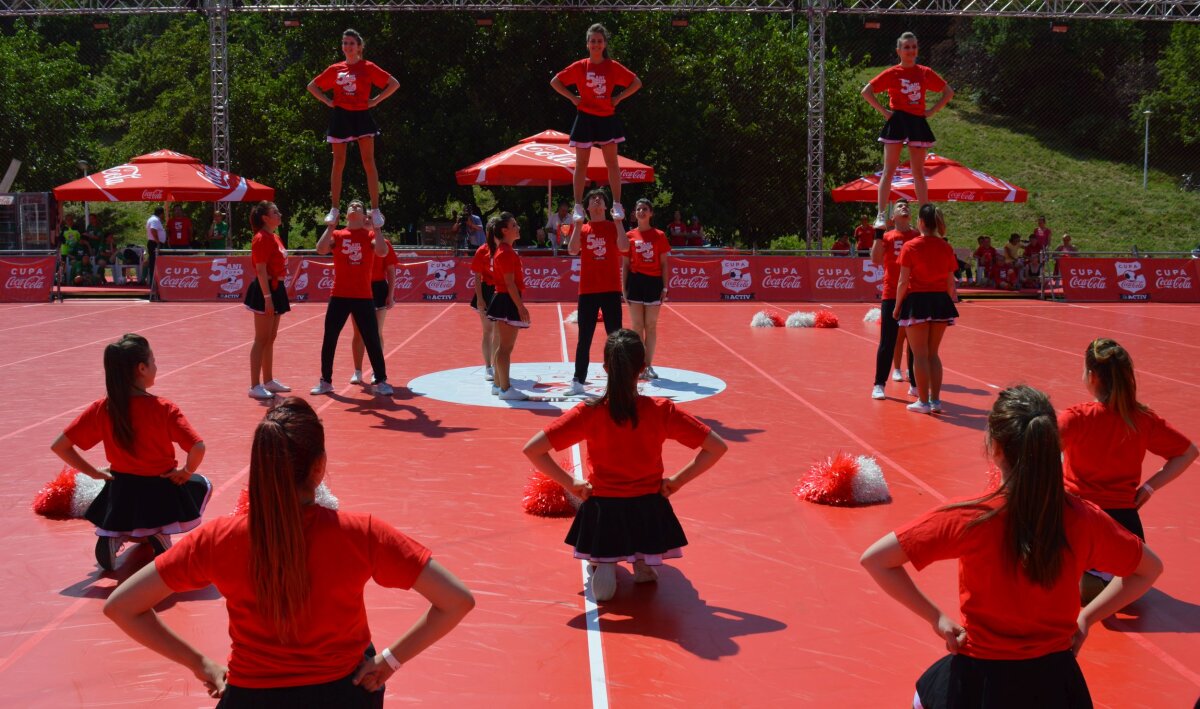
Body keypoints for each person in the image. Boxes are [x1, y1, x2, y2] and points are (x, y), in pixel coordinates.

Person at [103, 397, 474, 706]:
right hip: (344, 695)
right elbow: (456, 600)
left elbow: (121, 606)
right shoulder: (361, 534)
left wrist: (199, 663)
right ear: (319, 467)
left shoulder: (218, 539)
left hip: (252, 698)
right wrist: (390, 662)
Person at [860, 385, 1163, 709]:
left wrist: (937, 619)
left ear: (995, 448)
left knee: (923, 698)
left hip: (982, 679)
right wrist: (1087, 617)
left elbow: (877, 560)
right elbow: (1149, 570)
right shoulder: (1083, 518)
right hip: (1054, 681)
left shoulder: (970, 517)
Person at [523, 329, 727, 601]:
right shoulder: (661, 410)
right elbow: (716, 447)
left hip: (604, 507)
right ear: (642, 368)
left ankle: (606, 562)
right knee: (642, 512)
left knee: (605, 517)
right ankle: (642, 561)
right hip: (649, 506)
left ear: (606, 368)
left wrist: (571, 483)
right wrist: (676, 482)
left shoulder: (589, 412)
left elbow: (533, 449)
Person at [50, 334, 209, 571]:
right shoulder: (164, 409)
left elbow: (59, 446)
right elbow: (198, 447)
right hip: (160, 489)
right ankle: (160, 533)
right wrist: (186, 471)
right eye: (153, 361)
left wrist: (93, 473)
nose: (156, 366)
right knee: (201, 484)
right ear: (142, 368)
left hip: (121, 491)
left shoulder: (103, 408)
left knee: (127, 500)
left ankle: (114, 535)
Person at [1059, 338, 1197, 598]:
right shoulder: (1142, 419)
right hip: (1123, 522)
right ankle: (1103, 577)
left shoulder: (1076, 418)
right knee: (1133, 571)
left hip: (1077, 517)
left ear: (1091, 376)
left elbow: (1036, 450)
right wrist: (1149, 487)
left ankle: (1080, 573)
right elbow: (1188, 452)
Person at [308, 28, 400, 229]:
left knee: (368, 161)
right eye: (344, 43)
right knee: (338, 161)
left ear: (359, 47)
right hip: (341, 115)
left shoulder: (367, 67)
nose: (347, 46)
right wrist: (326, 100)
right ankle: (334, 209)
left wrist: (375, 100)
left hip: (361, 114)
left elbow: (393, 84)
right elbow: (312, 86)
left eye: (351, 43)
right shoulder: (335, 69)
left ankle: (375, 210)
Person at [861, 32, 954, 228]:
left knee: (918, 172)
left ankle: (925, 218)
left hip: (917, 122)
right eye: (906, 47)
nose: (911, 50)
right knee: (889, 170)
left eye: (913, 47)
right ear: (899, 51)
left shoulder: (925, 72)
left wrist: (931, 110)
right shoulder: (892, 72)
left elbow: (948, 92)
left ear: (917, 49)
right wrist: (885, 112)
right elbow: (866, 92)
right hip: (897, 120)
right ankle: (880, 215)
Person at [551, 23, 642, 223]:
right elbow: (555, 81)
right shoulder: (580, 66)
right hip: (585, 117)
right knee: (581, 164)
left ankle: (617, 205)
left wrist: (618, 97)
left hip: (607, 117)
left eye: (599, 41)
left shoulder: (612, 66)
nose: (596, 44)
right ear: (587, 44)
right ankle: (577, 206)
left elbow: (636, 82)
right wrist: (572, 98)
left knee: (612, 163)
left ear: (605, 44)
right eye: (593, 41)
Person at [311, 200, 392, 397]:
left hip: (363, 295)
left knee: (371, 338)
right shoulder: (338, 234)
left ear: (365, 216)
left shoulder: (370, 235)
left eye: (359, 205)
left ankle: (380, 380)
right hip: (339, 294)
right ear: (345, 214)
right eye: (351, 205)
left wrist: (378, 227)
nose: (354, 206)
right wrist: (331, 225)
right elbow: (321, 249)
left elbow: (382, 251)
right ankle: (325, 381)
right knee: (330, 338)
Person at [893, 203, 959, 414]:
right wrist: (946, 303)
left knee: (919, 355)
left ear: (920, 222)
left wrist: (896, 307)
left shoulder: (911, 246)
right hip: (940, 301)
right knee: (933, 354)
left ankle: (923, 401)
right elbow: (951, 282)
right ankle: (936, 400)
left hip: (918, 302)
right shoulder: (946, 247)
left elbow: (903, 282)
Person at [568, 188, 629, 395]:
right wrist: (577, 224)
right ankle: (578, 380)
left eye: (600, 198)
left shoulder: (613, 227)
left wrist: (619, 221)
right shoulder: (583, 228)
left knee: (615, 337)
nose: (596, 200)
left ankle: (617, 379)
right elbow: (572, 249)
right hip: (588, 290)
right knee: (584, 337)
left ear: (605, 206)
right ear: (586, 208)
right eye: (593, 199)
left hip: (611, 289)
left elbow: (624, 247)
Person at [870, 198, 918, 401]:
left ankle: (916, 384)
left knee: (916, 343)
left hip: (915, 293)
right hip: (891, 293)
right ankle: (879, 384)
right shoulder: (887, 236)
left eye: (907, 206)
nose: (904, 207)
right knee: (887, 341)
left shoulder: (917, 235)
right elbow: (875, 259)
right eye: (899, 206)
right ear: (892, 217)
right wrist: (878, 234)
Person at [244, 201, 291, 400]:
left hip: (277, 287)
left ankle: (269, 380)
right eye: (275, 212)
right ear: (265, 218)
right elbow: (261, 269)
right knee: (261, 339)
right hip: (266, 289)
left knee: (271, 338)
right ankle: (255, 385)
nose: (279, 214)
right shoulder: (261, 238)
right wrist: (267, 298)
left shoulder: (275, 237)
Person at [623, 199, 671, 380]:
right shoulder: (629, 236)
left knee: (650, 326)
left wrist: (665, 287)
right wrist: (623, 288)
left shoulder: (659, 235)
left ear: (651, 213)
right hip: (635, 283)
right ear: (634, 214)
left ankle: (648, 365)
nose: (641, 212)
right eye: (638, 209)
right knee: (636, 326)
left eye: (645, 209)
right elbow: (626, 264)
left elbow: (665, 263)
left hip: (654, 283)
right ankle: (639, 365)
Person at [485, 212, 530, 400]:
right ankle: (505, 388)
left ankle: (498, 384)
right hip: (506, 300)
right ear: (504, 230)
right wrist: (521, 307)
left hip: (503, 299)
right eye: (514, 225)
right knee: (505, 347)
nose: (518, 227)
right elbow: (510, 283)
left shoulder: (504, 251)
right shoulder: (505, 252)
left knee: (502, 347)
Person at [349, 230, 398, 386]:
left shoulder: (384, 244)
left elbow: (391, 270)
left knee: (376, 332)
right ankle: (357, 371)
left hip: (378, 288)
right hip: (358, 287)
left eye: (371, 218)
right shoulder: (354, 243)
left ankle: (377, 370)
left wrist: (391, 294)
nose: (368, 221)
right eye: (366, 218)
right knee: (358, 333)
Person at [470, 224, 497, 383]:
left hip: (501, 291)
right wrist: (480, 298)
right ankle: (488, 367)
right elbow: (477, 276)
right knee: (488, 331)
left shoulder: (505, 249)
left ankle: (498, 364)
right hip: (487, 291)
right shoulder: (482, 250)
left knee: (500, 332)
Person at [143, 207, 166, 286]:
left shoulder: (154, 219)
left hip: (154, 243)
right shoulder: (155, 220)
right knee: (154, 262)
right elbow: (153, 230)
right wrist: (157, 241)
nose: (164, 216)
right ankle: (154, 282)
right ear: (161, 213)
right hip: (154, 244)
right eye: (163, 214)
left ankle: (154, 281)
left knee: (155, 262)